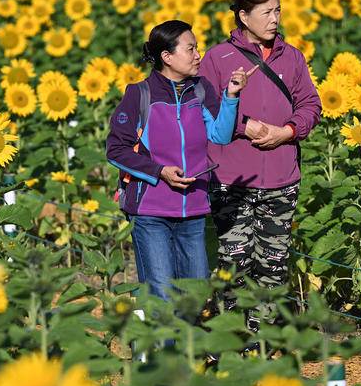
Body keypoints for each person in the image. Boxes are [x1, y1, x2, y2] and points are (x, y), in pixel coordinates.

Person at [198, 0, 322, 333]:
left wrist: (288, 131)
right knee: (233, 263)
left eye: (278, 10)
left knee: (273, 267)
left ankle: (262, 343)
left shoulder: (292, 56)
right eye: (266, 12)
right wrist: (245, 125)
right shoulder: (217, 58)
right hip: (231, 179)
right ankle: (229, 340)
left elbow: (311, 104)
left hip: (282, 179)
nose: (274, 18)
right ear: (243, 16)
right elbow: (204, 105)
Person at [107, 20, 254, 301]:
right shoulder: (140, 94)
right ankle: (155, 346)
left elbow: (220, 135)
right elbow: (116, 149)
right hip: (151, 211)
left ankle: (187, 345)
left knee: (194, 297)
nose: (198, 54)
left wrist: (232, 96)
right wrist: (159, 171)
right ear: (167, 56)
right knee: (161, 297)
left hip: (194, 210)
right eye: (191, 49)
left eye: (197, 48)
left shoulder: (201, 90)